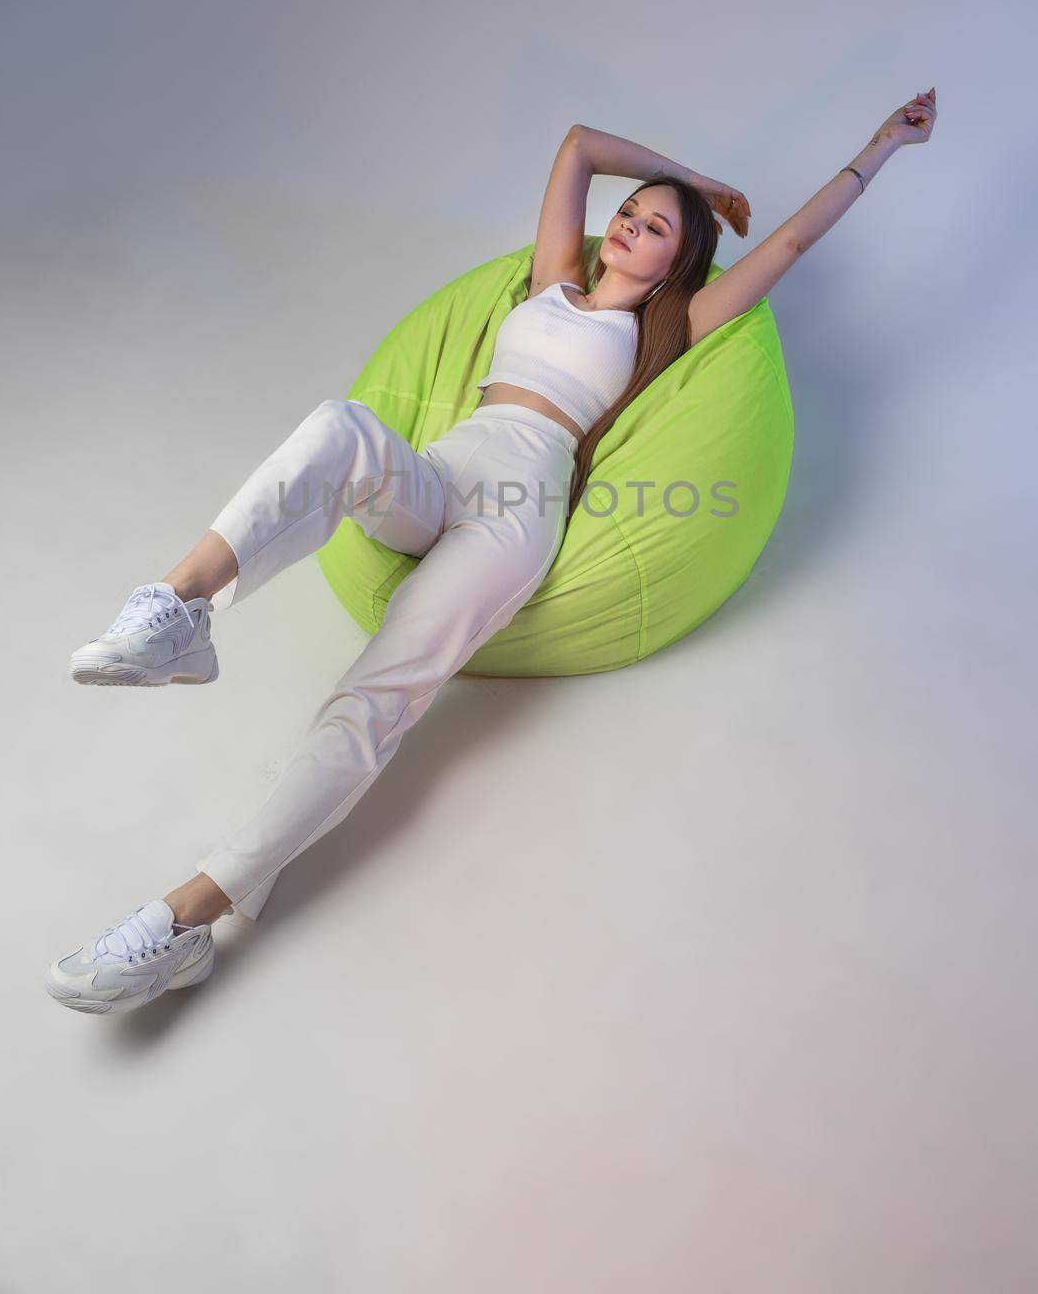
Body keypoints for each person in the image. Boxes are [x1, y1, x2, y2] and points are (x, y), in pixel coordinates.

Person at [46, 90, 938, 1014]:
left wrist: (882, 145)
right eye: (629, 214)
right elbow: (580, 144)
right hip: (448, 468)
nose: (628, 227)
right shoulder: (551, 278)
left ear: (684, 260)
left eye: (655, 227)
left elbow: (787, 245)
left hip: (519, 513)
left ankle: (187, 917)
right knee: (339, 427)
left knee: (369, 705)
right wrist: (697, 182)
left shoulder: (664, 333)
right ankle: (181, 609)